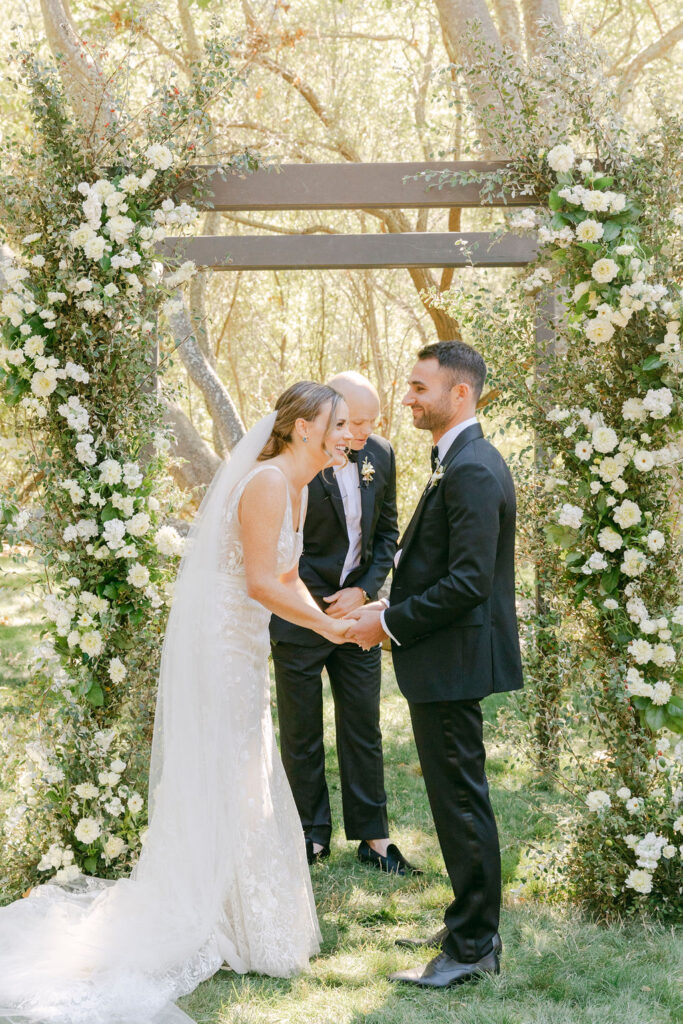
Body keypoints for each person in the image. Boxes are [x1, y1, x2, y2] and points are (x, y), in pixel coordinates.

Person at [0, 382, 356, 1024]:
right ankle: (205, 912)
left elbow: (285, 576)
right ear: (304, 427)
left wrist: (325, 616)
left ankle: (236, 910)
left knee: (242, 770)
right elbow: (254, 580)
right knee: (221, 769)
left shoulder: (300, 486)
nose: (348, 433)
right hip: (220, 648)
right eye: (339, 423)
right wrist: (326, 629)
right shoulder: (269, 482)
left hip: (249, 647)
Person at [348, 341, 523, 989]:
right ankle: (465, 925)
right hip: (443, 659)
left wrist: (388, 621)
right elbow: (444, 568)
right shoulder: (459, 461)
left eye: (419, 387)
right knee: (455, 801)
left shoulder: (473, 468)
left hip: (453, 662)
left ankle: (474, 946)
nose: (407, 397)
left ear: (459, 394)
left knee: (460, 804)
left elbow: (469, 581)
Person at [270, 372, 418, 874]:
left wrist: (364, 591)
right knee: (301, 729)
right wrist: (316, 607)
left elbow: (388, 533)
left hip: (359, 616)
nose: (360, 431)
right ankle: (310, 835)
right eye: (352, 421)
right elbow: (283, 545)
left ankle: (374, 839)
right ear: (328, 416)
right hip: (299, 616)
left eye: (370, 421)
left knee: (363, 726)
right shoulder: (302, 457)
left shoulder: (382, 453)